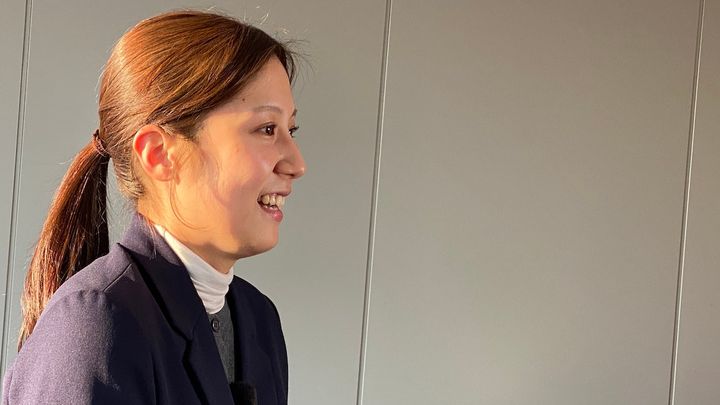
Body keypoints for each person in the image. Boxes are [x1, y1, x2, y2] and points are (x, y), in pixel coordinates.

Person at [2, 9, 305, 405]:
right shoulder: (95, 324)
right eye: (266, 129)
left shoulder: (259, 320)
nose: (296, 163)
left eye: (291, 130)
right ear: (159, 154)